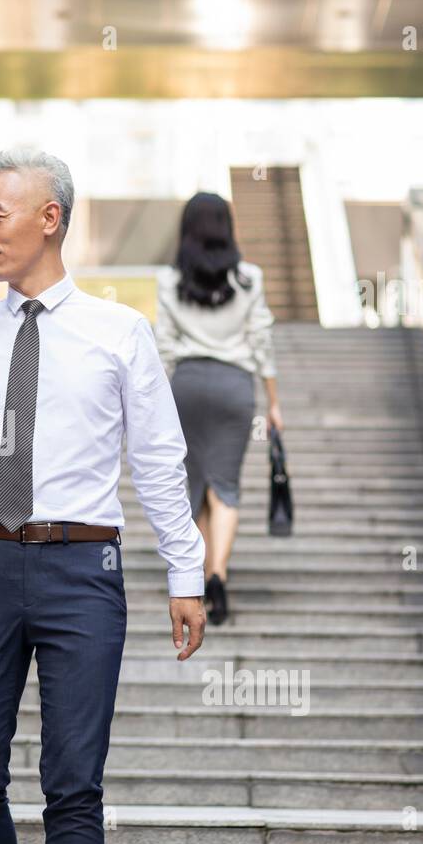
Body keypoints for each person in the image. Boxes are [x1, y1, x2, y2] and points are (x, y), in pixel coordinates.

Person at [0, 148, 206, 844]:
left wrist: (186, 574)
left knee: (75, 787)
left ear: (50, 219)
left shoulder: (120, 334)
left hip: (83, 570)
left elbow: (160, 460)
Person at [153, 191, 282, 627]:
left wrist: (154, 403)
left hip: (186, 387)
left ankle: (205, 573)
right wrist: (274, 402)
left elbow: (164, 347)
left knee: (195, 485)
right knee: (224, 485)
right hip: (235, 388)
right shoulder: (250, 278)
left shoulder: (169, 281)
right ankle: (218, 575)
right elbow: (261, 340)